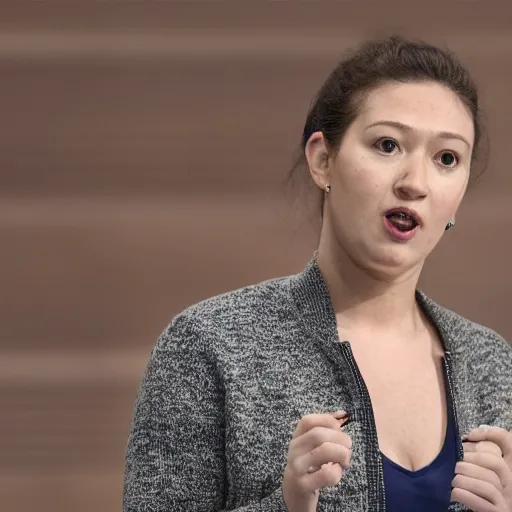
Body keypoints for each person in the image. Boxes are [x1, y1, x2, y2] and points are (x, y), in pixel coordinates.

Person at [123, 36, 512, 512]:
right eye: (387, 145)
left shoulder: (493, 365)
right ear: (322, 160)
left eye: (446, 158)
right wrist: (286, 506)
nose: (415, 182)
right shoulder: (210, 344)